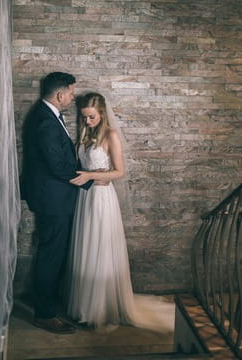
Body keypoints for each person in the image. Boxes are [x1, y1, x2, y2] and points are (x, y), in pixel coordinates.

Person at [68, 92, 174, 333]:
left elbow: (119, 172)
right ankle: (86, 306)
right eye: (84, 118)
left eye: (92, 117)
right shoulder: (85, 135)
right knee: (87, 249)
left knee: (101, 249)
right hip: (84, 198)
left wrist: (92, 175)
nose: (87, 122)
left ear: (102, 114)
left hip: (102, 199)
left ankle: (102, 308)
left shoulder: (111, 136)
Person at [20, 72, 92, 334]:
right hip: (53, 199)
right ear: (60, 94)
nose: (72, 98)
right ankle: (45, 314)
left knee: (52, 252)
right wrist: (91, 180)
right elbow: (57, 165)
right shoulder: (46, 121)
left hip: (51, 196)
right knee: (52, 255)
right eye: (71, 93)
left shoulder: (45, 115)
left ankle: (46, 304)